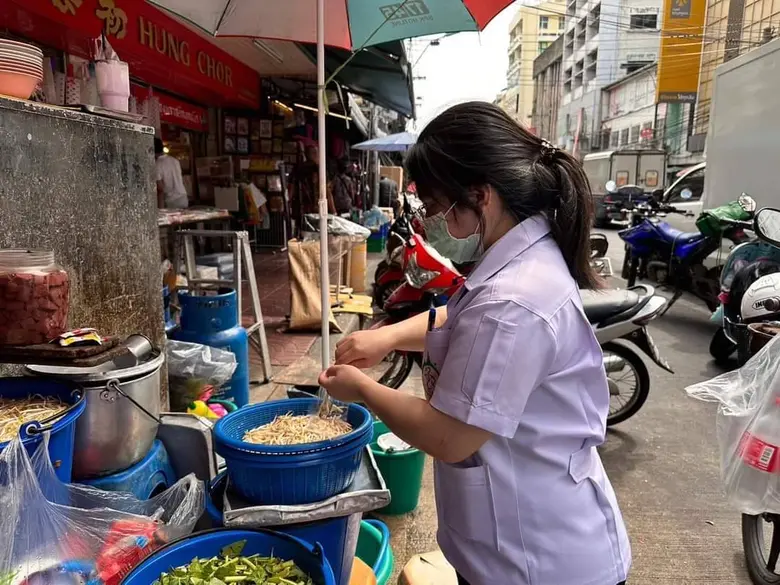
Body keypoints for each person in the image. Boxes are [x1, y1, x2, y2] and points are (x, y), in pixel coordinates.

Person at [319, 102, 631, 585]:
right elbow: (460, 317)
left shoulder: (514, 299)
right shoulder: (513, 263)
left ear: (481, 195)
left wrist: (362, 388)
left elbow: (450, 436)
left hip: (538, 559)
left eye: (438, 206)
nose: (436, 222)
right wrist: (388, 335)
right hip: (510, 537)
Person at [289, 143, 335, 231]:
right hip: (317, 211)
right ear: (313, 154)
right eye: (317, 154)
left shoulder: (297, 169)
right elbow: (327, 193)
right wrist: (333, 211)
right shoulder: (320, 170)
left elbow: (291, 190)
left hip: (301, 211)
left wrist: (288, 205)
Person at [154, 137, 188, 209]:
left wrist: (160, 209)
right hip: (183, 197)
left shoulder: (157, 165)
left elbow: (160, 188)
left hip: (172, 201)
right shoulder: (175, 160)